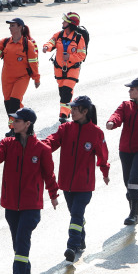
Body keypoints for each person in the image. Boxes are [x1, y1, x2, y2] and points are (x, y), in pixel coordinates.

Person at [0, 108, 59, 274]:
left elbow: (49, 174)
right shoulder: (8, 143)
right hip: (11, 204)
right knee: (18, 244)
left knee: (22, 240)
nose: (13, 123)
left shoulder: (42, 149)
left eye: (17, 121)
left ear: (27, 124)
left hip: (31, 206)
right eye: (13, 120)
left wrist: (53, 195)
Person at [43, 95, 110, 262]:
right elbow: (51, 142)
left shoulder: (96, 132)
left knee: (76, 215)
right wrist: (38, 147)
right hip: (66, 184)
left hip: (84, 186)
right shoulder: (65, 128)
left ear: (85, 111)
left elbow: (102, 155)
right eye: (71, 108)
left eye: (74, 109)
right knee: (76, 215)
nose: (71, 111)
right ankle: (81, 240)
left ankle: (72, 246)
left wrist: (105, 172)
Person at [105, 78, 138, 225]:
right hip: (126, 150)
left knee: (135, 179)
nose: (129, 91)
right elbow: (117, 115)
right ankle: (133, 208)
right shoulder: (126, 106)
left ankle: (134, 214)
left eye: (132, 89)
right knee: (128, 182)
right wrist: (112, 122)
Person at [0, 17, 40, 132]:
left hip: (22, 78)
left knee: (15, 101)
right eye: (10, 25)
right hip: (7, 78)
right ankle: (15, 127)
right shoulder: (5, 42)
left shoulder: (28, 44)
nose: (10, 28)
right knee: (8, 104)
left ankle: (19, 128)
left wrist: (36, 78)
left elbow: (33, 63)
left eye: (13, 25)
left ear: (20, 27)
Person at [43, 12, 88, 123]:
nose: (62, 22)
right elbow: (51, 42)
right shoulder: (58, 35)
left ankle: (63, 115)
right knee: (63, 92)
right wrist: (46, 47)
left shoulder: (79, 38)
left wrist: (70, 57)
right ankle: (67, 112)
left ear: (71, 24)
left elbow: (82, 55)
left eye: (65, 21)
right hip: (59, 69)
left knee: (66, 92)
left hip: (72, 69)